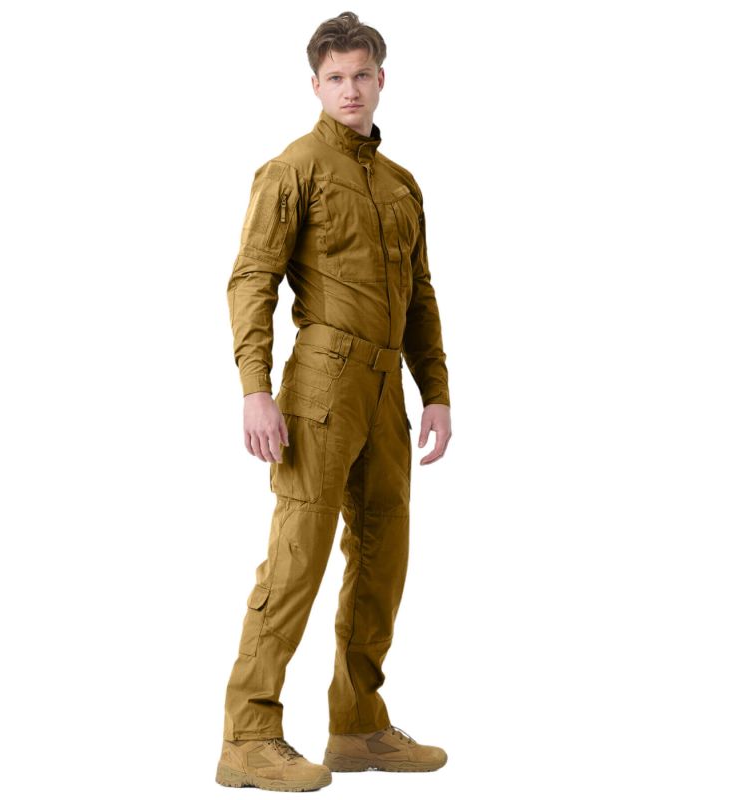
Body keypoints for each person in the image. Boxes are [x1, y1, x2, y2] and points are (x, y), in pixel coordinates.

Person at [216, 11, 452, 792]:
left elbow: (420, 295)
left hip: (386, 390)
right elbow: (252, 279)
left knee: (384, 556)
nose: (350, 90)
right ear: (315, 85)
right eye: (335, 78)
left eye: (361, 75)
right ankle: (249, 736)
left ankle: (357, 727)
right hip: (320, 382)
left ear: (381, 79)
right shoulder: (294, 169)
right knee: (298, 558)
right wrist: (255, 388)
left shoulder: (401, 184)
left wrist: (436, 392)